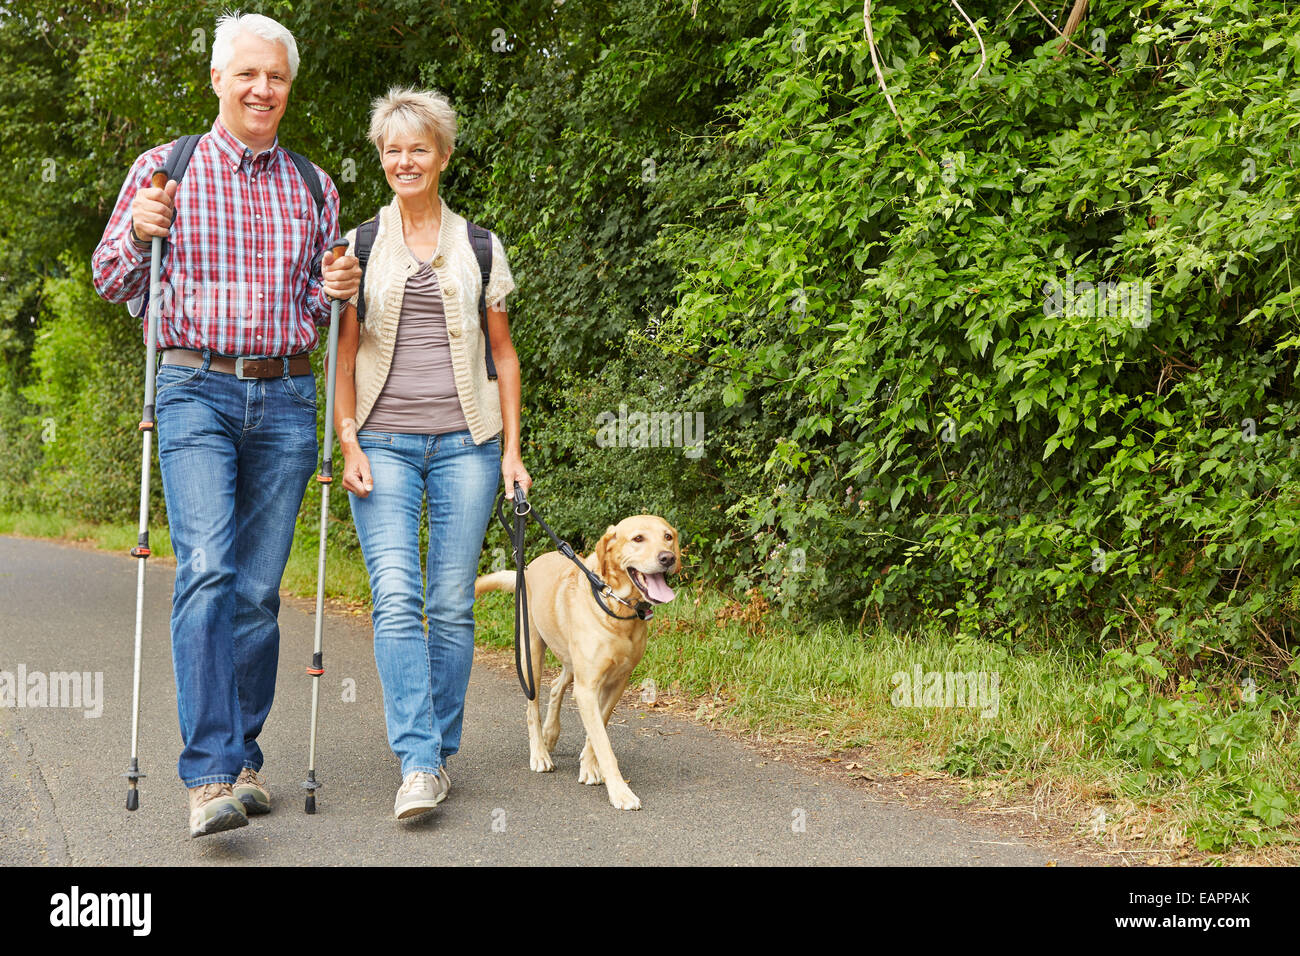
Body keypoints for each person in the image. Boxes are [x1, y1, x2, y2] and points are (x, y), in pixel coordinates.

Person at [91, 11, 361, 837]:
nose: (262, 89)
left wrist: (341, 283)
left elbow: (319, 310)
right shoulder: (163, 169)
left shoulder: (315, 186)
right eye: (247, 74)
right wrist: (139, 233)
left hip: (284, 398)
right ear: (218, 79)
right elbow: (109, 277)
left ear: (289, 87)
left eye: (276, 77)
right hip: (193, 389)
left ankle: (245, 758)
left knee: (256, 591)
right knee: (206, 569)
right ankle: (208, 776)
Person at [333, 87, 530, 820]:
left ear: (443, 156)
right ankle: (418, 760)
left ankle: (436, 751)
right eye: (393, 150)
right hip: (380, 442)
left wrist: (512, 450)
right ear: (381, 159)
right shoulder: (357, 246)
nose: (405, 160)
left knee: (449, 605)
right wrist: (347, 439)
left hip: (468, 448)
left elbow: (504, 357)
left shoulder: (480, 244)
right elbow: (343, 360)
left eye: (419, 148)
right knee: (395, 596)